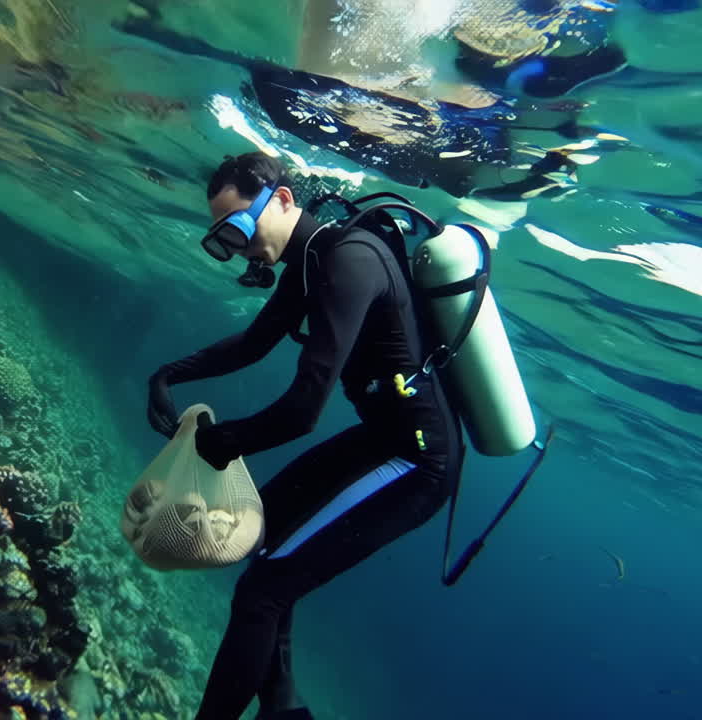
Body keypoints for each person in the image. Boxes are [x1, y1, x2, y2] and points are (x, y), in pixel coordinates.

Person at [146, 152, 464, 720]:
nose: (239, 247)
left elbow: (302, 412)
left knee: (262, 590)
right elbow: (252, 344)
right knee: (262, 531)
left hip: (417, 463)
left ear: (285, 199)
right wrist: (168, 374)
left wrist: (226, 442)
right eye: (224, 237)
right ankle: (283, 709)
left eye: (240, 228)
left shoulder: (349, 260)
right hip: (384, 439)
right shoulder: (314, 260)